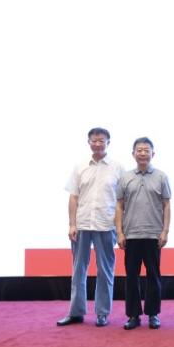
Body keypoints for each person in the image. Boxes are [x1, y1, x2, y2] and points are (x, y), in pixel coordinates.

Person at [57, 127, 124, 327]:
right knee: (78, 269)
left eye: (101, 140)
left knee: (105, 270)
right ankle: (76, 312)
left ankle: (102, 313)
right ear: (88, 142)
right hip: (83, 224)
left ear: (108, 142)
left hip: (106, 224)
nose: (97, 144)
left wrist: (120, 228)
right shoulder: (80, 166)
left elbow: (122, 200)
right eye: (93, 140)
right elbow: (73, 197)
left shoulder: (118, 168)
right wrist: (72, 224)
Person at [115, 137, 171, 330]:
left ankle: (153, 314)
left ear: (153, 154)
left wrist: (165, 231)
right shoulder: (125, 177)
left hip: (153, 235)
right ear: (133, 154)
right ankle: (133, 315)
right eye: (139, 150)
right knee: (132, 276)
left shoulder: (161, 177)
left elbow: (166, 205)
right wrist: (119, 232)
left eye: (146, 150)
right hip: (131, 235)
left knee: (153, 276)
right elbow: (119, 205)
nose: (143, 154)